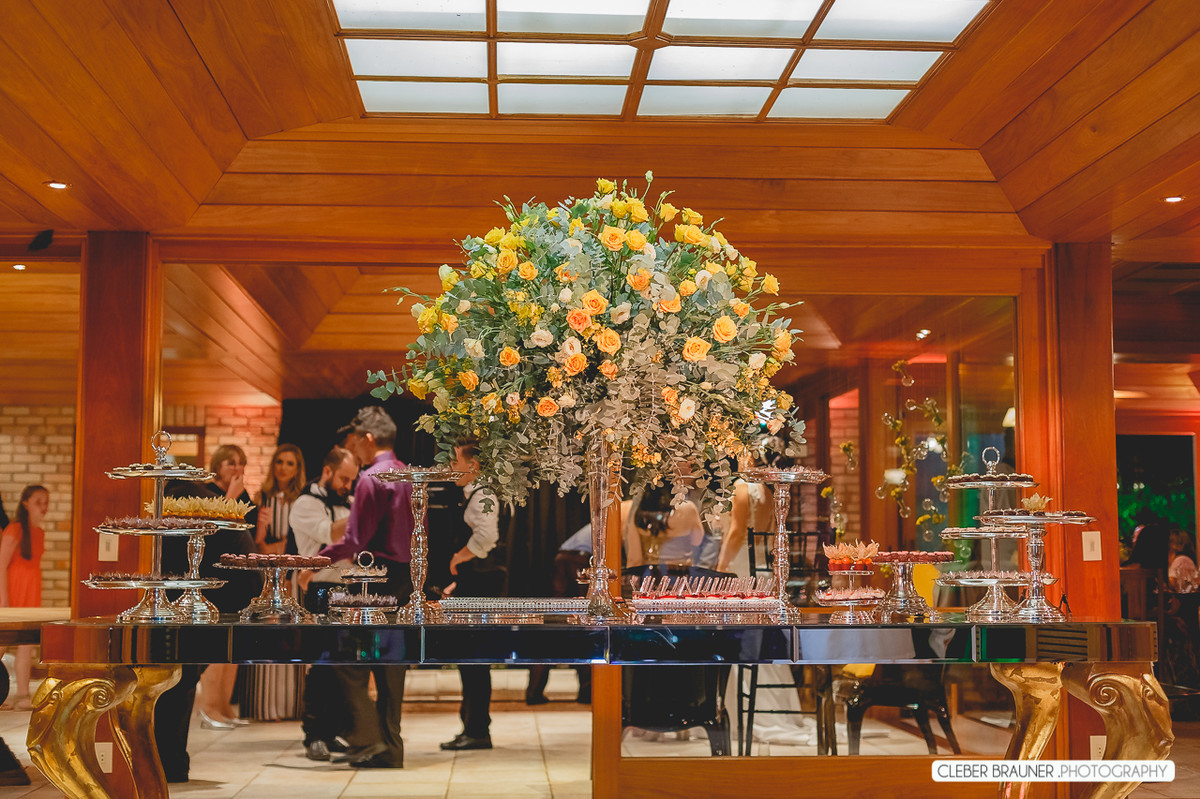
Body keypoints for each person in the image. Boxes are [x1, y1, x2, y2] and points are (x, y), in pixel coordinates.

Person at [155, 445, 259, 782]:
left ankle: (167, 762)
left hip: (193, 602)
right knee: (181, 681)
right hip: (219, 603)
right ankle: (171, 762)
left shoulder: (184, 507)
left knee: (176, 682)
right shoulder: (210, 504)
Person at [321, 406, 414, 769]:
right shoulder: (406, 473)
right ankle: (390, 745)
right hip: (406, 576)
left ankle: (368, 739)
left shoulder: (371, 477)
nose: (353, 447)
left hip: (373, 577)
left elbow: (355, 539)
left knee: (346, 659)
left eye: (356, 439)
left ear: (369, 439)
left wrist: (317, 561)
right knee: (393, 665)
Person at [292, 446, 358, 761]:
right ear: (328, 471)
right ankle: (314, 735)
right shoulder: (305, 504)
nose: (348, 486)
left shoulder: (350, 502)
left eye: (353, 480)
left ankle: (333, 731)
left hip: (351, 590)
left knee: (343, 666)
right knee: (320, 664)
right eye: (344, 478)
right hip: (320, 590)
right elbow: (330, 536)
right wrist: (363, 515)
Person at [440, 441, 503, 751]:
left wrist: (458, 558)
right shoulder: (476, 494)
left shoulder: (483, 495)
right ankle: (473, 726)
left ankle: (477, 729)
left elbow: (487, 537)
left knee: (474, 659)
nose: (451, 468)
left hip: (481, 588)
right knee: (472, 660)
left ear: (473, 466)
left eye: (455, 462)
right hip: (474, 586)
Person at [0, 485, 49, 709]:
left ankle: (22, 695)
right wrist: (4, 600)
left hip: (31, 591)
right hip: (11, 592)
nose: (44, 506)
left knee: (26, 645)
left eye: (46, 501)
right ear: (25, 503)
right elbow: (1, 565)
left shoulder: (39, 532)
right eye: (39, 501)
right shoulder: (14, 529)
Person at [256, 444, 305, 555]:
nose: (283, 468)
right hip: (268, 557)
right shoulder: (263, 496)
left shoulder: (302, 498)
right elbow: (258, 541)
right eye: (279, 462)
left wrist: (278, 547)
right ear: (273, 465)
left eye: (290, 464)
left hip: (295, 556)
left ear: (297, 469)